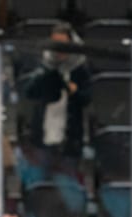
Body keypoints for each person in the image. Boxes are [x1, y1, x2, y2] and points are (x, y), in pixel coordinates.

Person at [16, 23, 93, 186]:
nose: (58, 50)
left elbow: (87, 98)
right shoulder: (44, 65)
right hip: (41, 137)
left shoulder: (81, 68)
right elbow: (29, 92)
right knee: (36, 185)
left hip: (69, 139)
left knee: (66, 186)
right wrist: (48, 73)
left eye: (63, 45)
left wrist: (74, 91)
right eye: (55, 44)